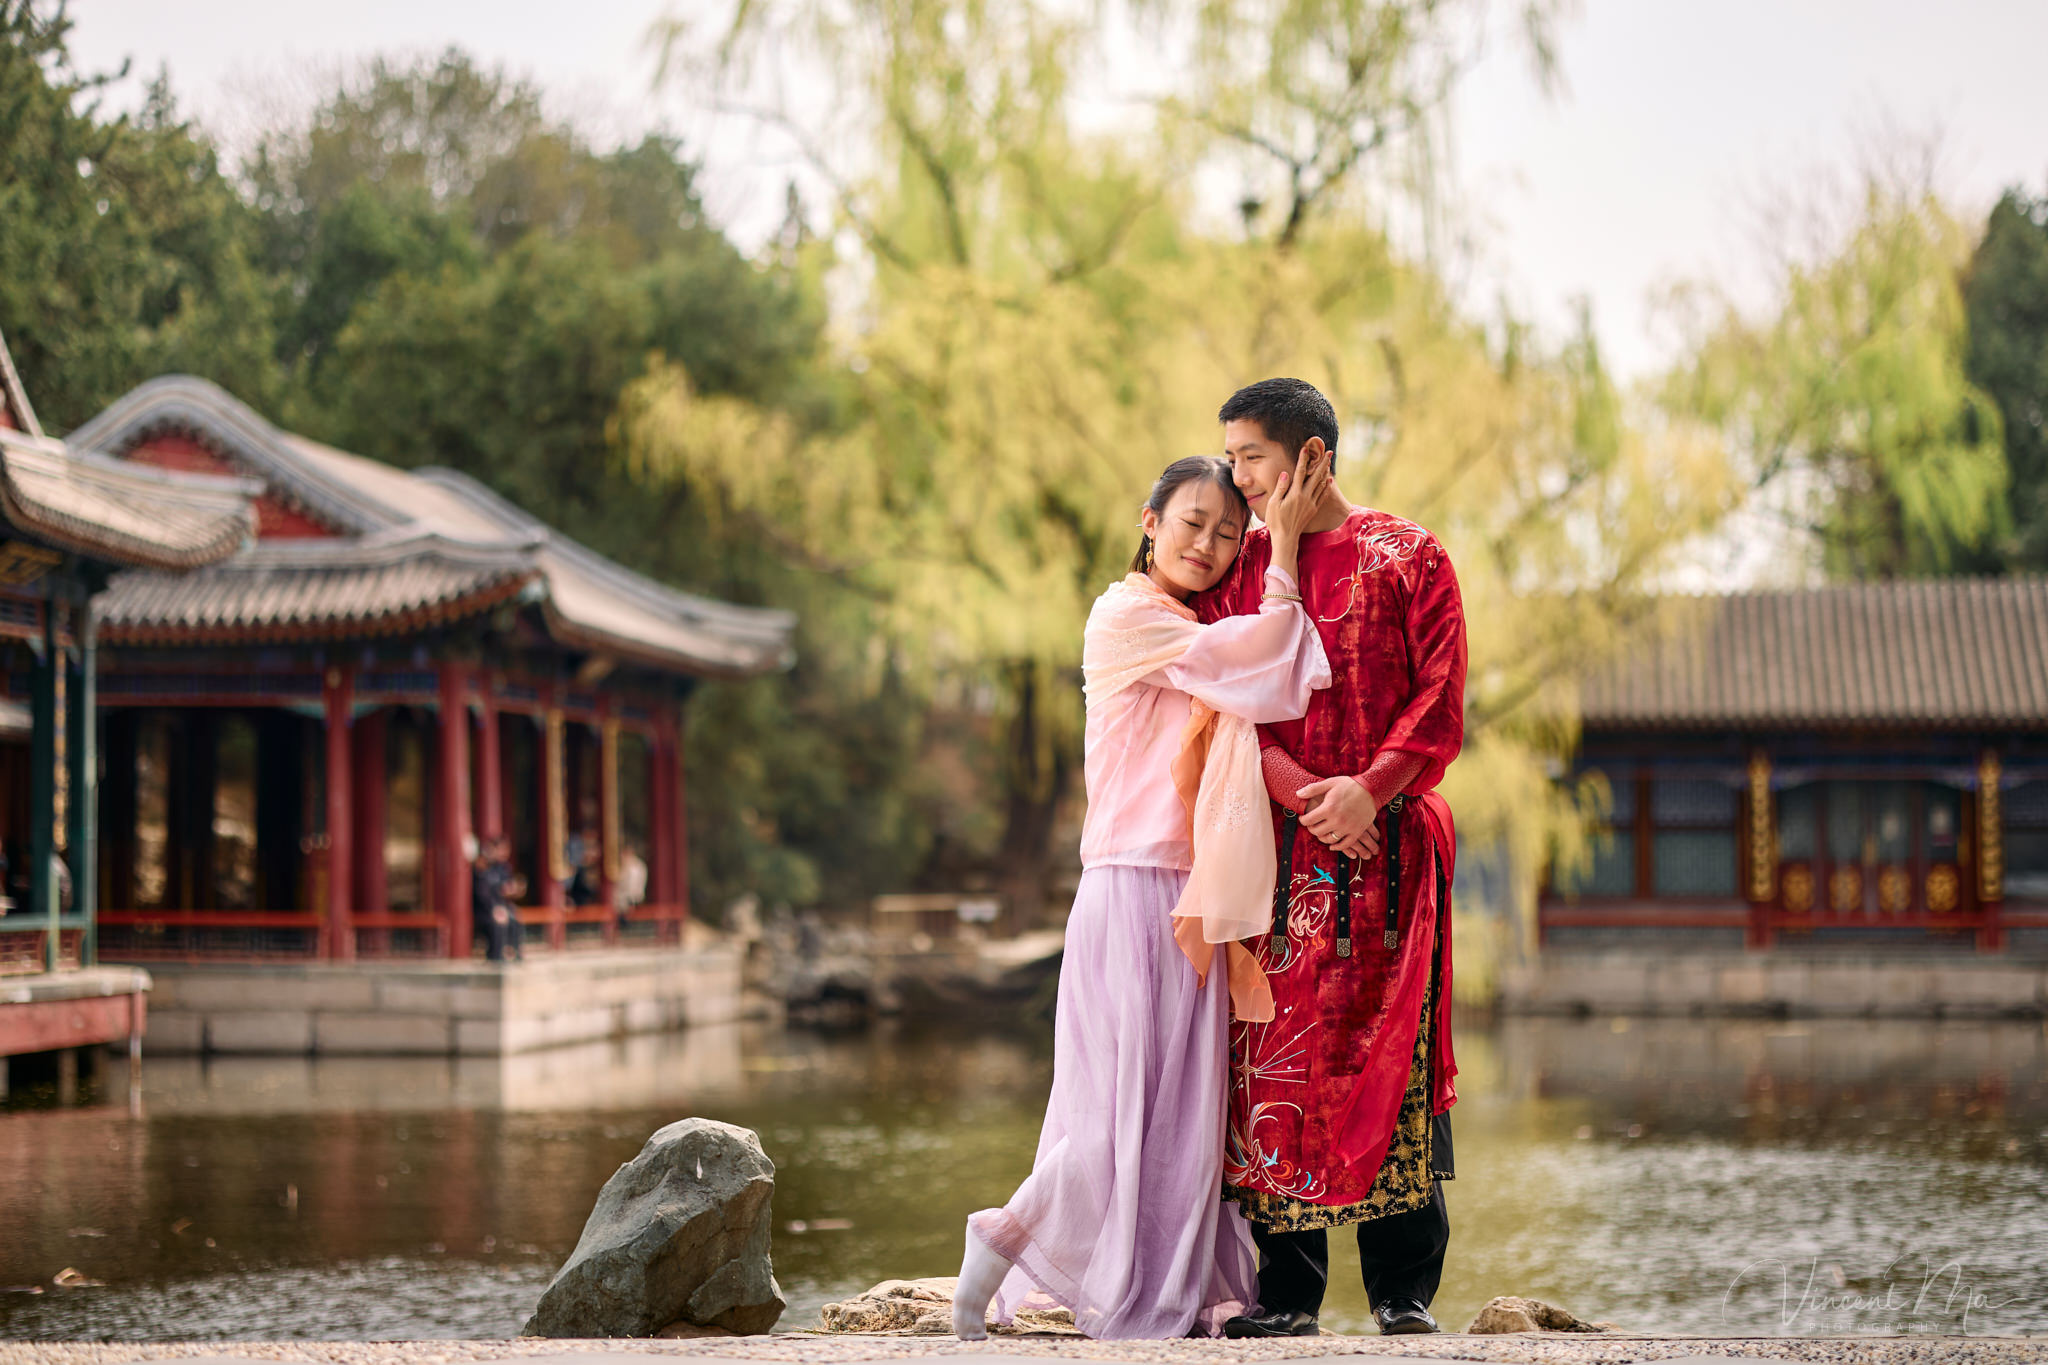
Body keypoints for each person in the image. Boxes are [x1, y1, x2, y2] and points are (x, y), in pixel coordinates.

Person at [952, 447, 1333, 1341]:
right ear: (1149, 522)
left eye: (1227, 533)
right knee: (1110, 1109)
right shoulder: (1129, 616)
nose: (1207, 543)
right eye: (1192, 522)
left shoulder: (1188, 623)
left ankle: (1170, 1289)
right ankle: (998, 1238)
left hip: (1189, 895)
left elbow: (1257, 668)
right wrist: (1282, 552)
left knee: (1181, 1115)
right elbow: (1269, 665)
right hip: (1129, 889)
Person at [1199, 378, 1467, 1338]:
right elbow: (1219, 700)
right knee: (1274, 1061)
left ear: (1312, 457)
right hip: (1276, 852)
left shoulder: (1410, 556)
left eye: (1252, 458)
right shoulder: (1242, 571)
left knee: (1391, 1057)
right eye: (1230, 458)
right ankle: (1288, 1294)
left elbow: (1441, 698)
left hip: (1390, 854)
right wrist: (1296, 791)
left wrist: (1372, 787)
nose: (1238, 477)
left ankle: (1402, 1291)